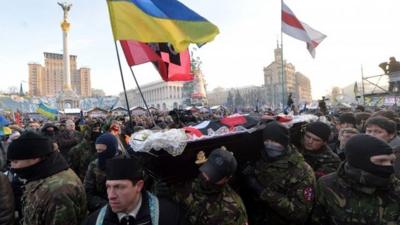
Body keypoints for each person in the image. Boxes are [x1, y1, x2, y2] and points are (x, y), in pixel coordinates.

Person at [311, 134, 400, 224]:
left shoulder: (396, 189)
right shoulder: (328, 185)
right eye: (381, 161)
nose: (389, 166)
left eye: (391, 161)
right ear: (360, 162)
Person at [242, 121, 316, 225]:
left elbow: (300, 214)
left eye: (274, 141)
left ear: (284, 142)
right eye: (267, 140)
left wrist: (262, 191)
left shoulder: (302, 171)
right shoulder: (262, 160)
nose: (270, 144)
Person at [7, 131, 87, 225]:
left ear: (35, 158)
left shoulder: (57, 192)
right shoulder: (41, 175)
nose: (12, 166)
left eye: (15, 161)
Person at [83, 158, 188, 225]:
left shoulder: (170, 216)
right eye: (108, 187)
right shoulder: (94, 221)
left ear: (139, 186)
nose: (111, 196)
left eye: (119, 187)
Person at [171, 148, 248, 225]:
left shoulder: (233, 210)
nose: (207, 177)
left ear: (227, 178)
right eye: (209, 170)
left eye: (215, 175)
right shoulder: (194, 180)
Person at [84, 132, 121, 212]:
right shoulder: (94, 165)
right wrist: (104, 206)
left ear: (111, 149)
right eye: (97, 150)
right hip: (101, 209)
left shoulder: (126, 164)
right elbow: (88, 192)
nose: (99, 153)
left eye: (101, 150)